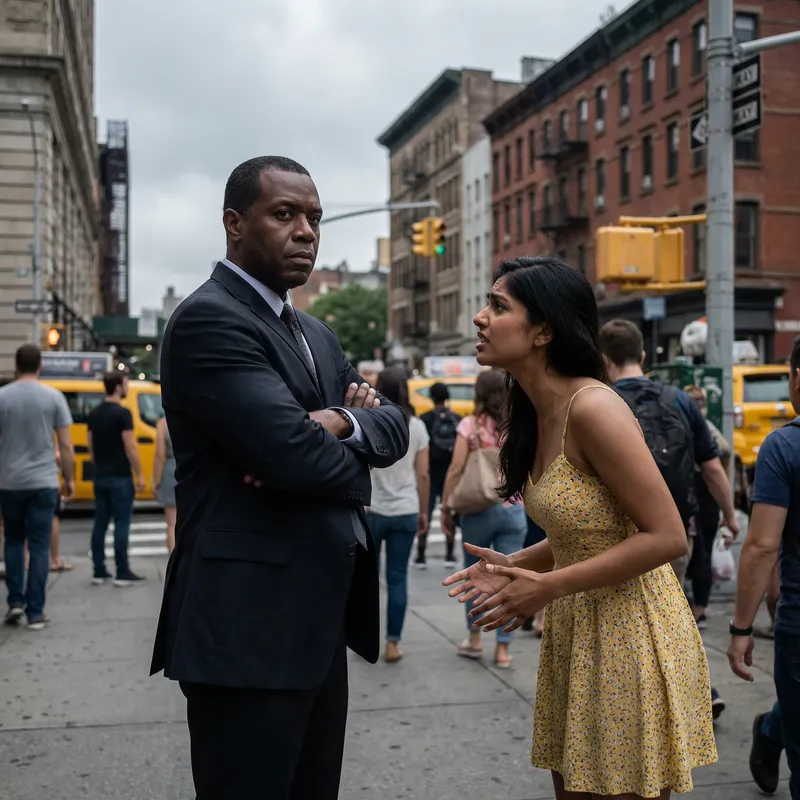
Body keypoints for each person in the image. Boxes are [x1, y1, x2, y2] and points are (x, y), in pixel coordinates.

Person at [150, 156, 409, 800]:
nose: (306, 233)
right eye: (285, 214)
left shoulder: (315, 332)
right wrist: (321, 445)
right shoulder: (211, 320)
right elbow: (296, 458)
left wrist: (339, 424)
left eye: (314, 218)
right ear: (235, 224)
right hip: (246, 629)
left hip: (318, 621)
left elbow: (395, 428)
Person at [443, 256, 717, 799]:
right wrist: (517, 565)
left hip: (631, 635)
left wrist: (549, 585)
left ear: (543, 330)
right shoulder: (535, 410)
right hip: (579, 631)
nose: (480, 318)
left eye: (498, 306)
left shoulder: (593, 408)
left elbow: (667, 536)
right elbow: (588, 531)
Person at [728, 334, 800, 799]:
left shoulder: (783, 448)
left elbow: (761, 546)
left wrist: (741, 627)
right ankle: (776, 728)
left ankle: (775, 731)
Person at [441, 368, 528, 669]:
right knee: (510, 577)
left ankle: (475, 639)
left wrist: (445, 506)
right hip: (513, 508)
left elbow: (455, 468)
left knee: (476, 578)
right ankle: (503, 649)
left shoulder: (470, 426)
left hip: (477, 509)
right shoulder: (516, 426)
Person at [0, 344, 75, 629]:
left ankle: (15, 601)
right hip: (43, 481)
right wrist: (68, 479)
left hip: (9, 481)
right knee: (40, 546)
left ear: (16, 365)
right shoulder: (53, 397)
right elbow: (66, 446)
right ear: (40, 365)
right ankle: (35, 612)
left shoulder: (2, 396)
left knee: (14, 541)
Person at [366, 366, 429, 663]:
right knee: (397, 579)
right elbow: (424, 475)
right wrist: (424, 510)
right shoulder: (416, 426)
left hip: (373, 509)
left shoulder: (370, 423)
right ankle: (392, 643)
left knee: (366, 579)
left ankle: (364, 640)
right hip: (406, 509)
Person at [87, 371, 146, 587]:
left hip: (100, 475)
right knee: (122, 523)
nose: (128, 386)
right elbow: (130, 446)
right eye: (126, 382)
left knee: (100, 523)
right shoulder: (123, 414)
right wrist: (139, 473)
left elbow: (91, 448)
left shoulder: (94, 413)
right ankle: (122, 571)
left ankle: (99, 570)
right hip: (120, 476)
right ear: (119, 387)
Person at [683, 384, 731, 628]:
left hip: (699, 495)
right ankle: (699, 606)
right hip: (707, 496)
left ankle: (698, 608)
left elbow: (719, 456)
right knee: (700, 552)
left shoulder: (691, 425)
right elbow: (723, 452)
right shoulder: (706, 426)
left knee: (698, 553)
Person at [417, 382, 460, 567]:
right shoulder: (456, 418)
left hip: (431, 469)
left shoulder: (424, 419)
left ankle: (421, 555)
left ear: (432, 398)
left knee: (426, 509)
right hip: (448, 470)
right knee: (447, 509)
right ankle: (449, 555)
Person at [151, 413, 177, 553]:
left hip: (170, 469)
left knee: (171, 524)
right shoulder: (190, 416)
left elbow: (160, 454)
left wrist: (155, 479)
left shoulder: (162, 423)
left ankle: (173, 561)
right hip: (189, 469)